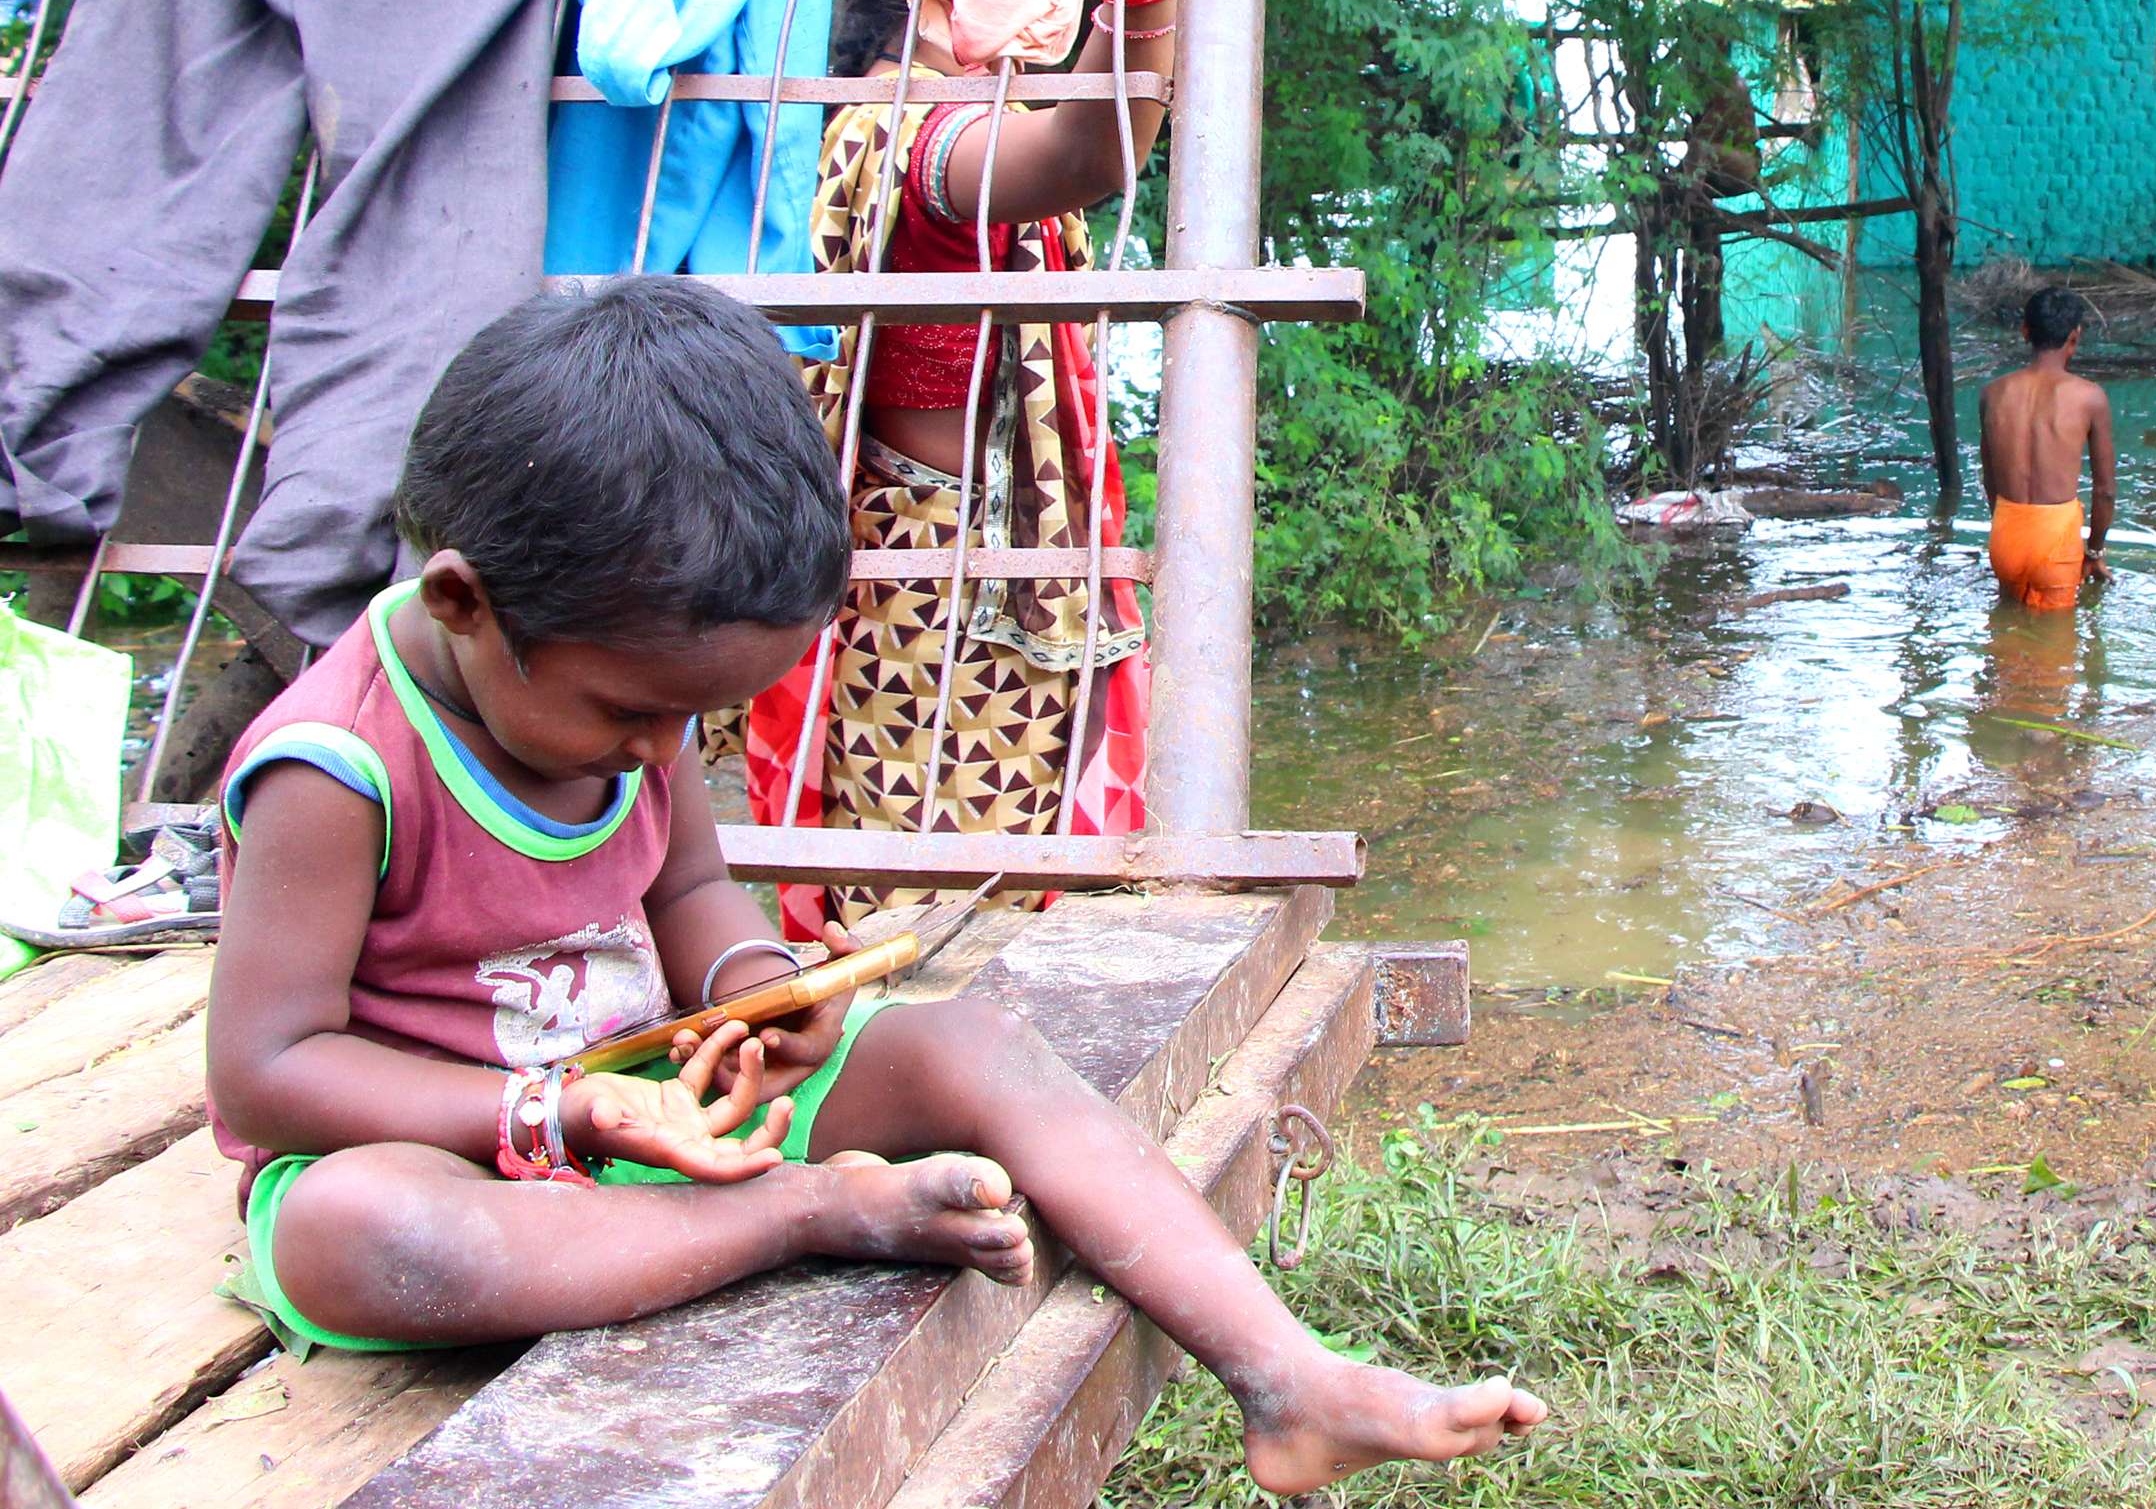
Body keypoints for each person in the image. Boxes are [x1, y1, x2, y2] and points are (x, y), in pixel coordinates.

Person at [205, 278, 1543, 1494]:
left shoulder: (634, 707)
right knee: (354, 1226)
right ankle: (808, 1214)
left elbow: (686, 891)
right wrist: (566, 1110)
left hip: (679, 1118)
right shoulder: (336, 772)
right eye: (629, 715)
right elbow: (267, 1070)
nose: (658, 751)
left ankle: (1285, 1377)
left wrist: (754, 986)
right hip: (458, 1156)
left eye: (691, 721)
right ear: (462, 602)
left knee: (972, 1043)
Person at [730, 0, 1274, 897]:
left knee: (972, 906)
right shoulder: (898, 140)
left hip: (964, 601)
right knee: (945, 924)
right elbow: (1089, 147)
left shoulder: (907, 120)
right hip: (941, 623)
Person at [1978, 285, 2115, 610]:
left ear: (2025, 331)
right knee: (2053, 650)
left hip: (2006, 533)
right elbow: (2105, 490)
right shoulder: (2090, 397)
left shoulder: (1993, 393)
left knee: (2005, 641)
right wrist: (2093, 553)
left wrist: (2009, 530)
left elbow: (1990, 481)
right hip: (2055, 541)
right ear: (2075, 336)